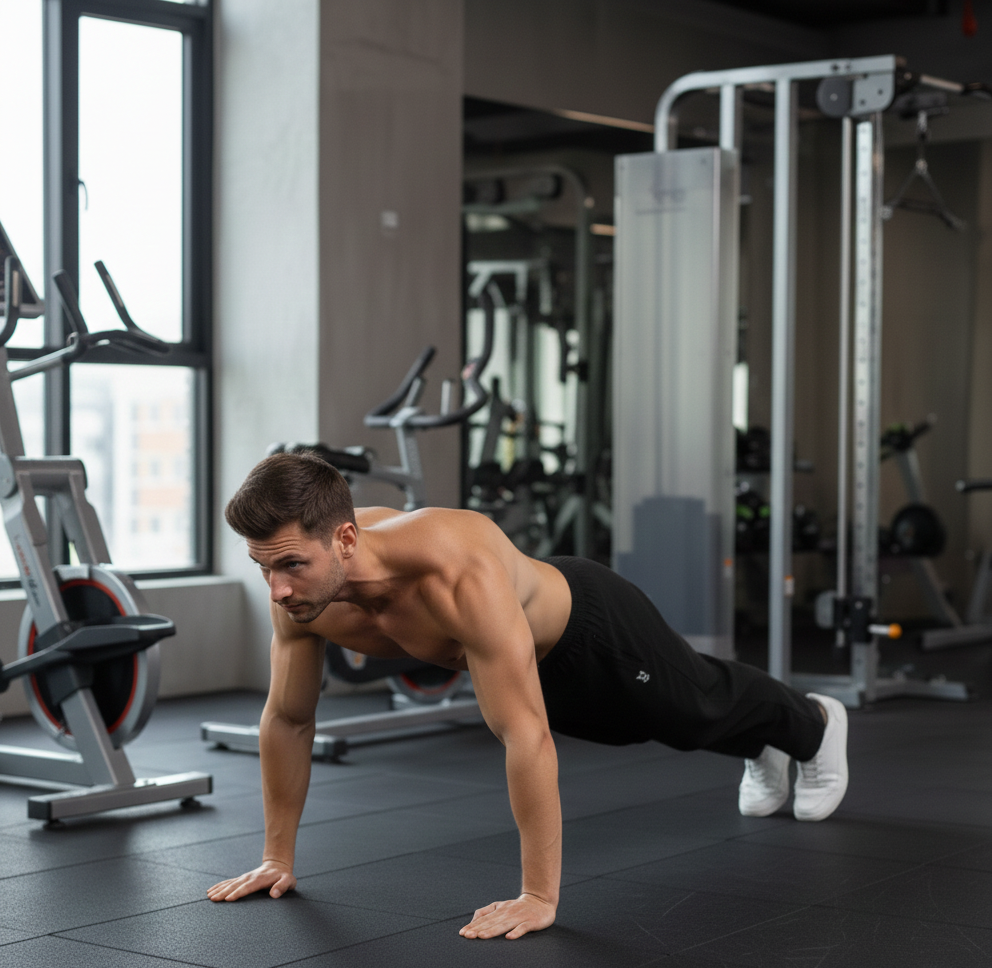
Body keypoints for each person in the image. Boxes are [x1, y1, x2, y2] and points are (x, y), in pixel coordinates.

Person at [207, 452, 848, 940]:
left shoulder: (455, 571)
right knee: (666, 728)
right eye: (263, 567)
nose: (278, 589)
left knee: (693, 703)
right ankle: (765, 744)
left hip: (593, 630)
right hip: (532, 663)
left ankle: (813, 724)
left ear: (344, 539)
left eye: (291, 564)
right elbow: (289, 719)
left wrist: (539, 896)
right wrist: (274, 857)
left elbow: (524, 735)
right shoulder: (302, 598)